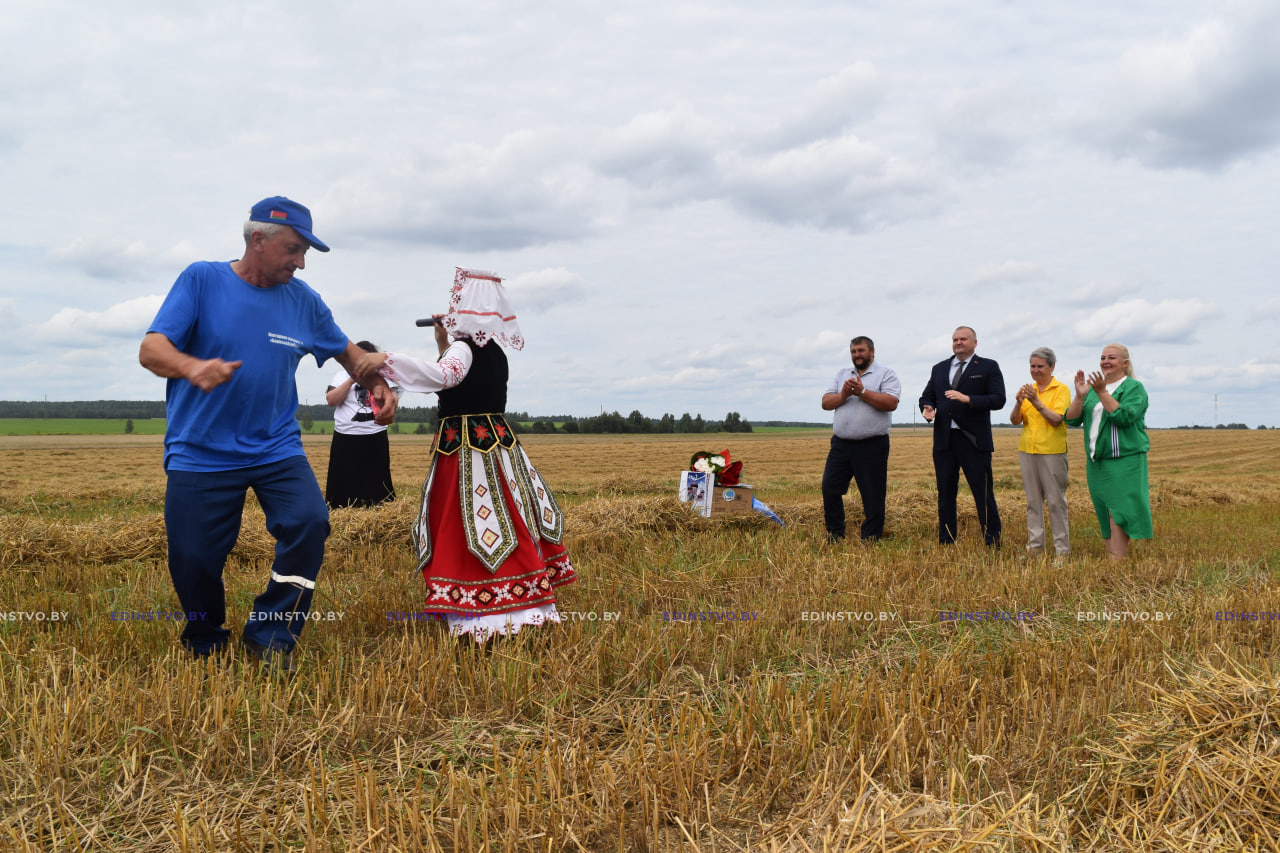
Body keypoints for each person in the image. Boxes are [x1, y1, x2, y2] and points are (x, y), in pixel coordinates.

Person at [139, 196, 397, 670]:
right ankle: (206, 638)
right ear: (258, 239)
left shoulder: (304, 302)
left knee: (309, 522)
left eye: (305, 254)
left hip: (275, 447)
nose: (301, 262)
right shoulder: (202, 280)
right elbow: (151, 349)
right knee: (193, 557)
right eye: (295, 249)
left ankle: (272, 635)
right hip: (200, 450)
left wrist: (377, 383)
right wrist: (191, 366)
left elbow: (352, 357)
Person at [355, 268, 576, 642]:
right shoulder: (494, 350)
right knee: (510, 517)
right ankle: (524, 603)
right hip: (499, 445)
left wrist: (385, 360)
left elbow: (444, 378)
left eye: (456, 299)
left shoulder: (464, 350)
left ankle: (480, 613)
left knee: (466, 522)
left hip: (467, 452)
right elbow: (459, 377)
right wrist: (444, 342)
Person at [919, 326, 1005, 546]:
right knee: (945, 492)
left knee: (983, 493)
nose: (958, 342)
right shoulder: (939, 368)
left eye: (963, 339)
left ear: (974, 343)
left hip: (974, 440)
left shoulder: (988, 366)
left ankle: (992, 540)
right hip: (944, 440)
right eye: (955, 339)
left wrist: (969, 399)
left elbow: (998, 399)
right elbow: (927, 395)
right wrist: (927, 407)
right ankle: (946, 539)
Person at [1064, 343, 1151, 560]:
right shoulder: (1093, 390)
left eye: (1111, 357)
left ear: (1125, 363)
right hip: (1097, 460)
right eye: (1102, 358)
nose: (1105, 361)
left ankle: (1116, 564)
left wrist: (1102, 391)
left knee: (1118, 510)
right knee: (1104, 509)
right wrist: (1080, 396)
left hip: (1124, 458)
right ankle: (1113, 557)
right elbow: (1072, 419)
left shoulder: (1133, 388)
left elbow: (1124, 417)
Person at [820, 336, 901, 542]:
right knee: (829, 487)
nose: (857, 355)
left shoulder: (886, 374)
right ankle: (835, 533)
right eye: (854, 351)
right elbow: (826, 402)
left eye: (861, 351)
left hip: (872, 445)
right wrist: (844, 394)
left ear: (872, 352)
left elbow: (891, 403)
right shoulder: (842, 374)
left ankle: (871, 537)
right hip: (841, 444)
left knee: (872, 494)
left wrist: (862, 392)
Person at [1009, 347, 1070, 559]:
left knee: (1055, 502)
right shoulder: (1028, 390)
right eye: (1032, 366)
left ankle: (1062, 552)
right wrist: (1018, 403)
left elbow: (1056, 419)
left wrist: (1035, 401)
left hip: (1052, 452)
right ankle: (1035, 549)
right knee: (1033, 502)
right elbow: (1015, 420)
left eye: (1040, 366)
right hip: (1027, 450)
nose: (1035, 370)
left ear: (1052, 367)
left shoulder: (1061, 390)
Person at [325, 340, 401, 508]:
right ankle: (339, 509)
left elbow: (392, 402)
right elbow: (331, 400)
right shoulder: (340, 376)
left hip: (375, 435)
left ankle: (378, 509)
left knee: (377, 479)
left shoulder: (385, 378)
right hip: (346, 436)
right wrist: (352, 379)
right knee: (342, 478)